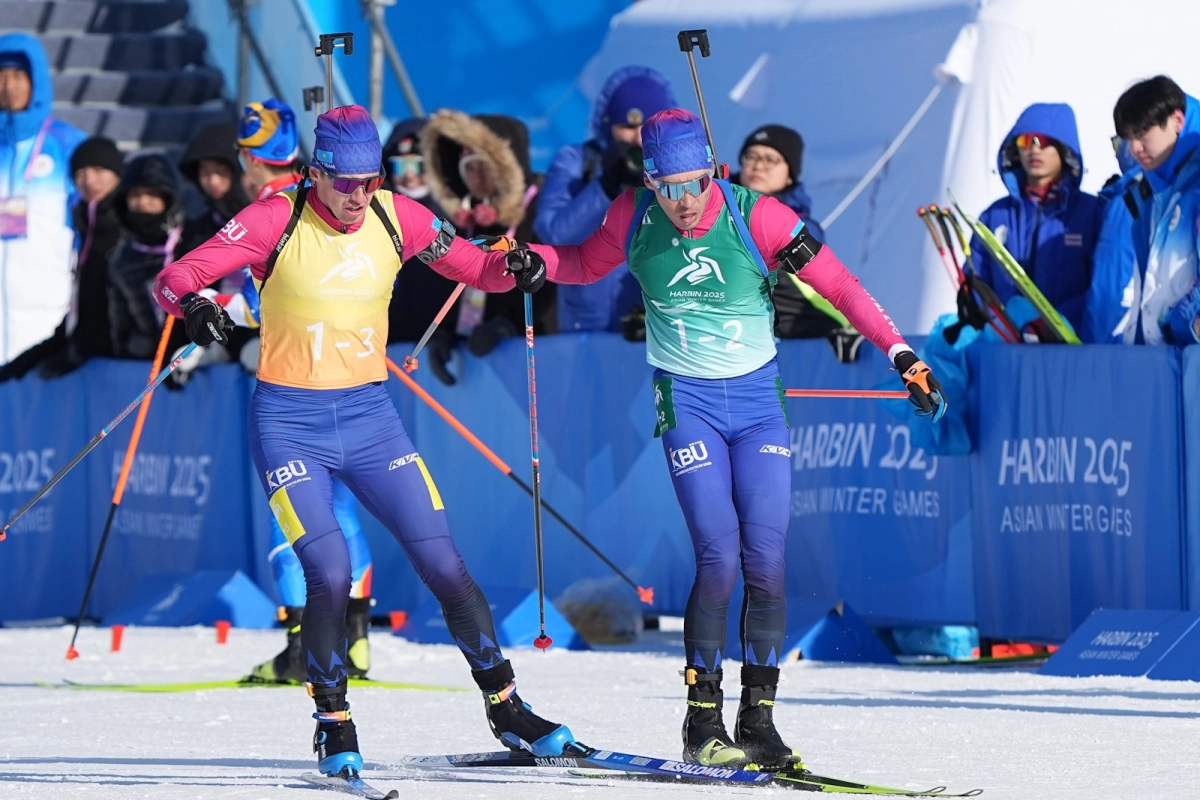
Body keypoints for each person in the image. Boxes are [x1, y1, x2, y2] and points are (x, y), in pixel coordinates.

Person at [503, 109, 944, 768]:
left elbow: (842, 287)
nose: (684, 201)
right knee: (719, 557)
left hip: (760, 406)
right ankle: (702, 723)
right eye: (668, 186)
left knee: (767, 561)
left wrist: (902, 354)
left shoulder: (756, 215)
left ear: (715, 170)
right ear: (649, 180)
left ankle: (758, 722)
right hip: (689, 403)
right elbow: (583, 264)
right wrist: (532, 261)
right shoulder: (634, 215)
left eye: (695, 183)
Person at [154, 105, 576, 780]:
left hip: (370, 419)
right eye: (343, 182)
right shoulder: (274, 218)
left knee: (445, 565)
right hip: (289, 422)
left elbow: (478, 269)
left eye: (370, 180)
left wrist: (521, 269)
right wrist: (198, 307)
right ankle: (333, 722)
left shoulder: (396, 214)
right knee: (328, 572)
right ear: (315, 173)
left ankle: (508, 707)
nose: (357, 196)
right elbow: (174, 279)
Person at [230, 99, 375, 685]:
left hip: (296, 383)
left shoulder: (275, 209)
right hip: (352, 373)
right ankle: (356, 641)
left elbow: (258, 297)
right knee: (341, 507)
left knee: (293, 511)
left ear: (249, 159)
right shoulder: (334, 200)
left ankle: (301, 644)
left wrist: (209, 313)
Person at [534, 66, 674, 333]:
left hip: (652, 324)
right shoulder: (579, 162)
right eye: (627, 126)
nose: (636, 137)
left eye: (647, 128)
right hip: (585, 325)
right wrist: (604, 187)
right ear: (608, 124)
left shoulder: (678, 166)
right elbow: (552, 233)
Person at [421, 110, 553, 384]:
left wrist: (509, 325)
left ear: (509, 167)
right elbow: (452, 284)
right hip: (481, 371)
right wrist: (444, 332)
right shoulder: (465, 220)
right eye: (469, 167)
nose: (477, 177)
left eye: (485, 166)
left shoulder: (540, 209)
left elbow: (555, 283)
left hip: (540, 364)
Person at [968, 103, 1100, 335]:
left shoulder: (1092, 213)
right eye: (1025, 141)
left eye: (1044, 142)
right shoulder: (994, 216)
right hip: (1004, 345)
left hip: (1069, 346)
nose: (1034, 150)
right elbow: (975, 281)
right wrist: (990, 324)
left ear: (1064, 150)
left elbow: (1102, 286)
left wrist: (1053, 325)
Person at [732, 123, 862, 360]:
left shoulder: (800, 224)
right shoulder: (707, 203)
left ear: (790, 174)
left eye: (771, 159)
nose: (759, 165)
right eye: (751, 156)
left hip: (798, 327)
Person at [0, 136, 123, 380]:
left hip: (121, 354)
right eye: (80, 173)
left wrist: (82, 349)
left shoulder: (125, 225)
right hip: (90, 348)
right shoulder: (86, 224)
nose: (89, 181)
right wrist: (24, 364)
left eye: (98, 170)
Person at [0, 32, 87, 366]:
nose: (9, 86)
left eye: (19, 76)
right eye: (2, 76)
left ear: (36, 80)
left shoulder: (68, 146)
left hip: (47, 307)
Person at [1103, 76, 1200, 345]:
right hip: (1162, 364)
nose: (1134, 148)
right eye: (1128, 138)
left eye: (1143, 134)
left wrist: (1180, 328)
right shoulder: (1149, 197)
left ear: (1177, 121)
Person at [381, 117, 459, 361]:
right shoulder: (372, 216)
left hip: (434, 354)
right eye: (401, 167)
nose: (410, 176)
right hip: (380, 354)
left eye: (419, 166)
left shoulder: (455, 219)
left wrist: (448, 333)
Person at [109, 154, 184, 358]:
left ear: (168, 198)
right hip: (144, 364)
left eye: (152, 194)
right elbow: (119, 323)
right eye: (135, 195)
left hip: (186, 361)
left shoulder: (190, 244)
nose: (142, 202)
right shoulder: (123, 257)